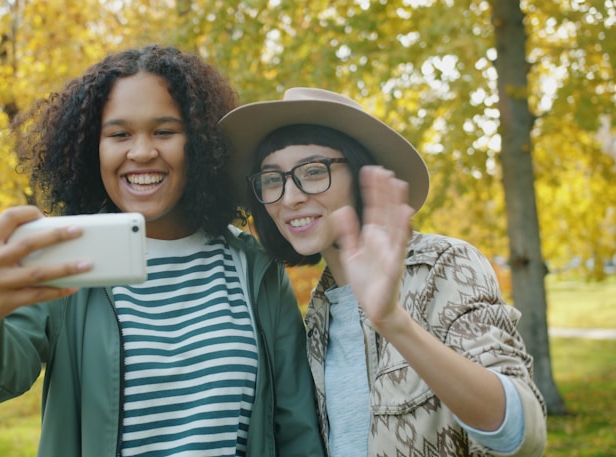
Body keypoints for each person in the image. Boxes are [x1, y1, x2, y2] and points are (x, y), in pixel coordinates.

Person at [0, 46, 324, 457]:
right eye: (119, 134)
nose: (141, 152)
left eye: (164, 131)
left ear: (201, 144)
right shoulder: (66, 257)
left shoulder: (255, 268)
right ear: (90, 148)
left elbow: (296, 429)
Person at [219, 87, 547, 456]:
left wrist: (393, 321)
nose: (290, 197)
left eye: (312, 171)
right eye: (272, 180)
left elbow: (523, 434)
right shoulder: (317, 316)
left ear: (362, 176)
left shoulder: (444, 266)